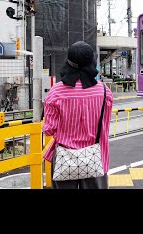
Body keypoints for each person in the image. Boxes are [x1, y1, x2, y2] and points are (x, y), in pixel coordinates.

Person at [42, 41, 113, 189]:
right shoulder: (104, 91)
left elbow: (48, 129)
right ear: (91, 62)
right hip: (95, 158)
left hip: (64, 159)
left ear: (68, 62)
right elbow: (105, 126)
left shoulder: (56, 92)